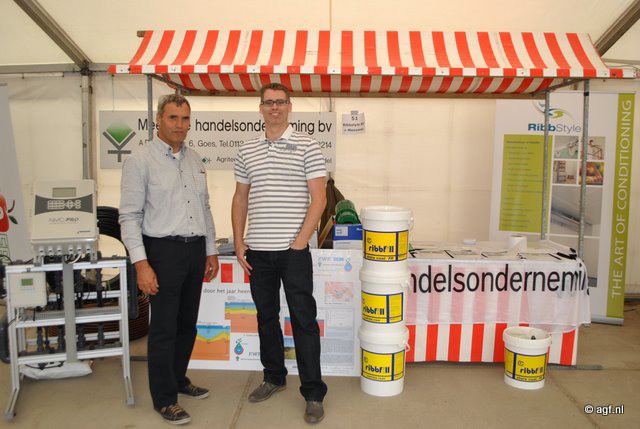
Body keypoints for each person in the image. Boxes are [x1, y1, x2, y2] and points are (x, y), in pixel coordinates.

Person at [119, 94, 219, 425]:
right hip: (162, 252)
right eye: (173, 118)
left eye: (185, 118)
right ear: (158, 120)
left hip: (194, 250)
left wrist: (210, 250)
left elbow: (204, 207)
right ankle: (164, 399)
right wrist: (141, 264)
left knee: (186, 324)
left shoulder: (194, 159)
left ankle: (177, 379)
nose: (180, 125)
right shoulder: (140, 161)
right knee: (163, 328)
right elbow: (129, 217)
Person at [232, 83, 328, 424]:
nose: (274, 107)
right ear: (260, 108)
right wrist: (239, 241)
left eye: (280, 102)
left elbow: (319, 198)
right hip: (258, 251)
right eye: (269, 102)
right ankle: (273, 377)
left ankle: (313, 393)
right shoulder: (247, 150)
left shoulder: (308, 146)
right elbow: (240, 198)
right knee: (266, 317)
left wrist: (299, 242)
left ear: (289, 106)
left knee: (303, 320)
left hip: (293, 252)